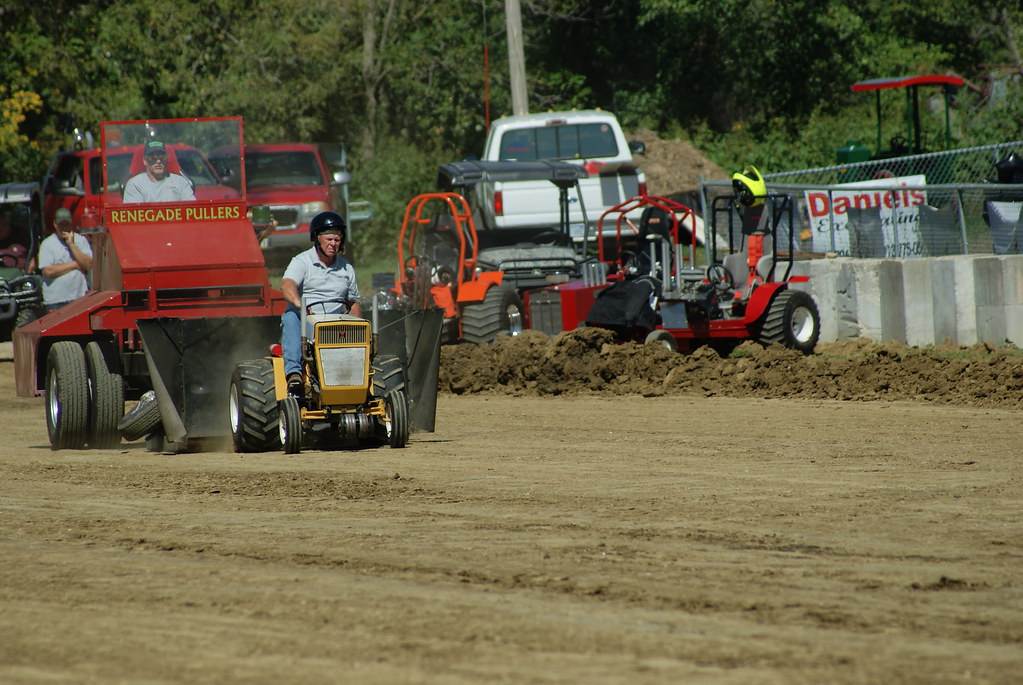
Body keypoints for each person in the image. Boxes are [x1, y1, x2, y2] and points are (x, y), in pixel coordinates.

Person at [280, 210, 361, 396]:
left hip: (335, 322)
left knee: (357, 324)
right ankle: (294, 373)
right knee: (291, 317)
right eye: (329, 239)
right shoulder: (302, 261)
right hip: (306, 320)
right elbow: (287, 286)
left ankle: (359, 373)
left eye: (337, 240)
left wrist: (358, 325)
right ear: (317, 238)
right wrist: (301, 306)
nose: (334, 244)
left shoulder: (346, 268)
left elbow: (353, 302)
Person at [39, 208, 93, 311]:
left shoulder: (80, 240)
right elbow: (49, 271)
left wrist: (71, 244)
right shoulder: (47, 244)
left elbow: (88, 264)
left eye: (66, 224)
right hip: (56, 301)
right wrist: (75, 264)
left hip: (79, 297)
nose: (64, 228)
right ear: (55, 224)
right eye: (61, 224)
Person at [122, 139, 196, 203]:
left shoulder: (181, 183)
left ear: (167, 159)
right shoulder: (134, 185)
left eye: (162, 157)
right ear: (145, 161)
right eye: (153, 158)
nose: (158, 161)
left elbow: (192, 211)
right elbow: (135, 216)